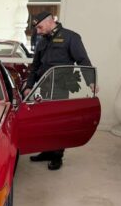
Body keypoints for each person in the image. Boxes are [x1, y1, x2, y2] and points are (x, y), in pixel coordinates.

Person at [22, 11, 95, 171]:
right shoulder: (42, 41)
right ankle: (46, 151)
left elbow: (83, 60)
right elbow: (35, 66)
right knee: (44, 122)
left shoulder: (71, 37)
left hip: (61, 87)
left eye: (40, 27)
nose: (38, 31)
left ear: (50, 22)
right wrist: (29, 86)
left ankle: (57, 155)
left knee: (58, 123)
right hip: (43, 86)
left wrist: (91, 82)